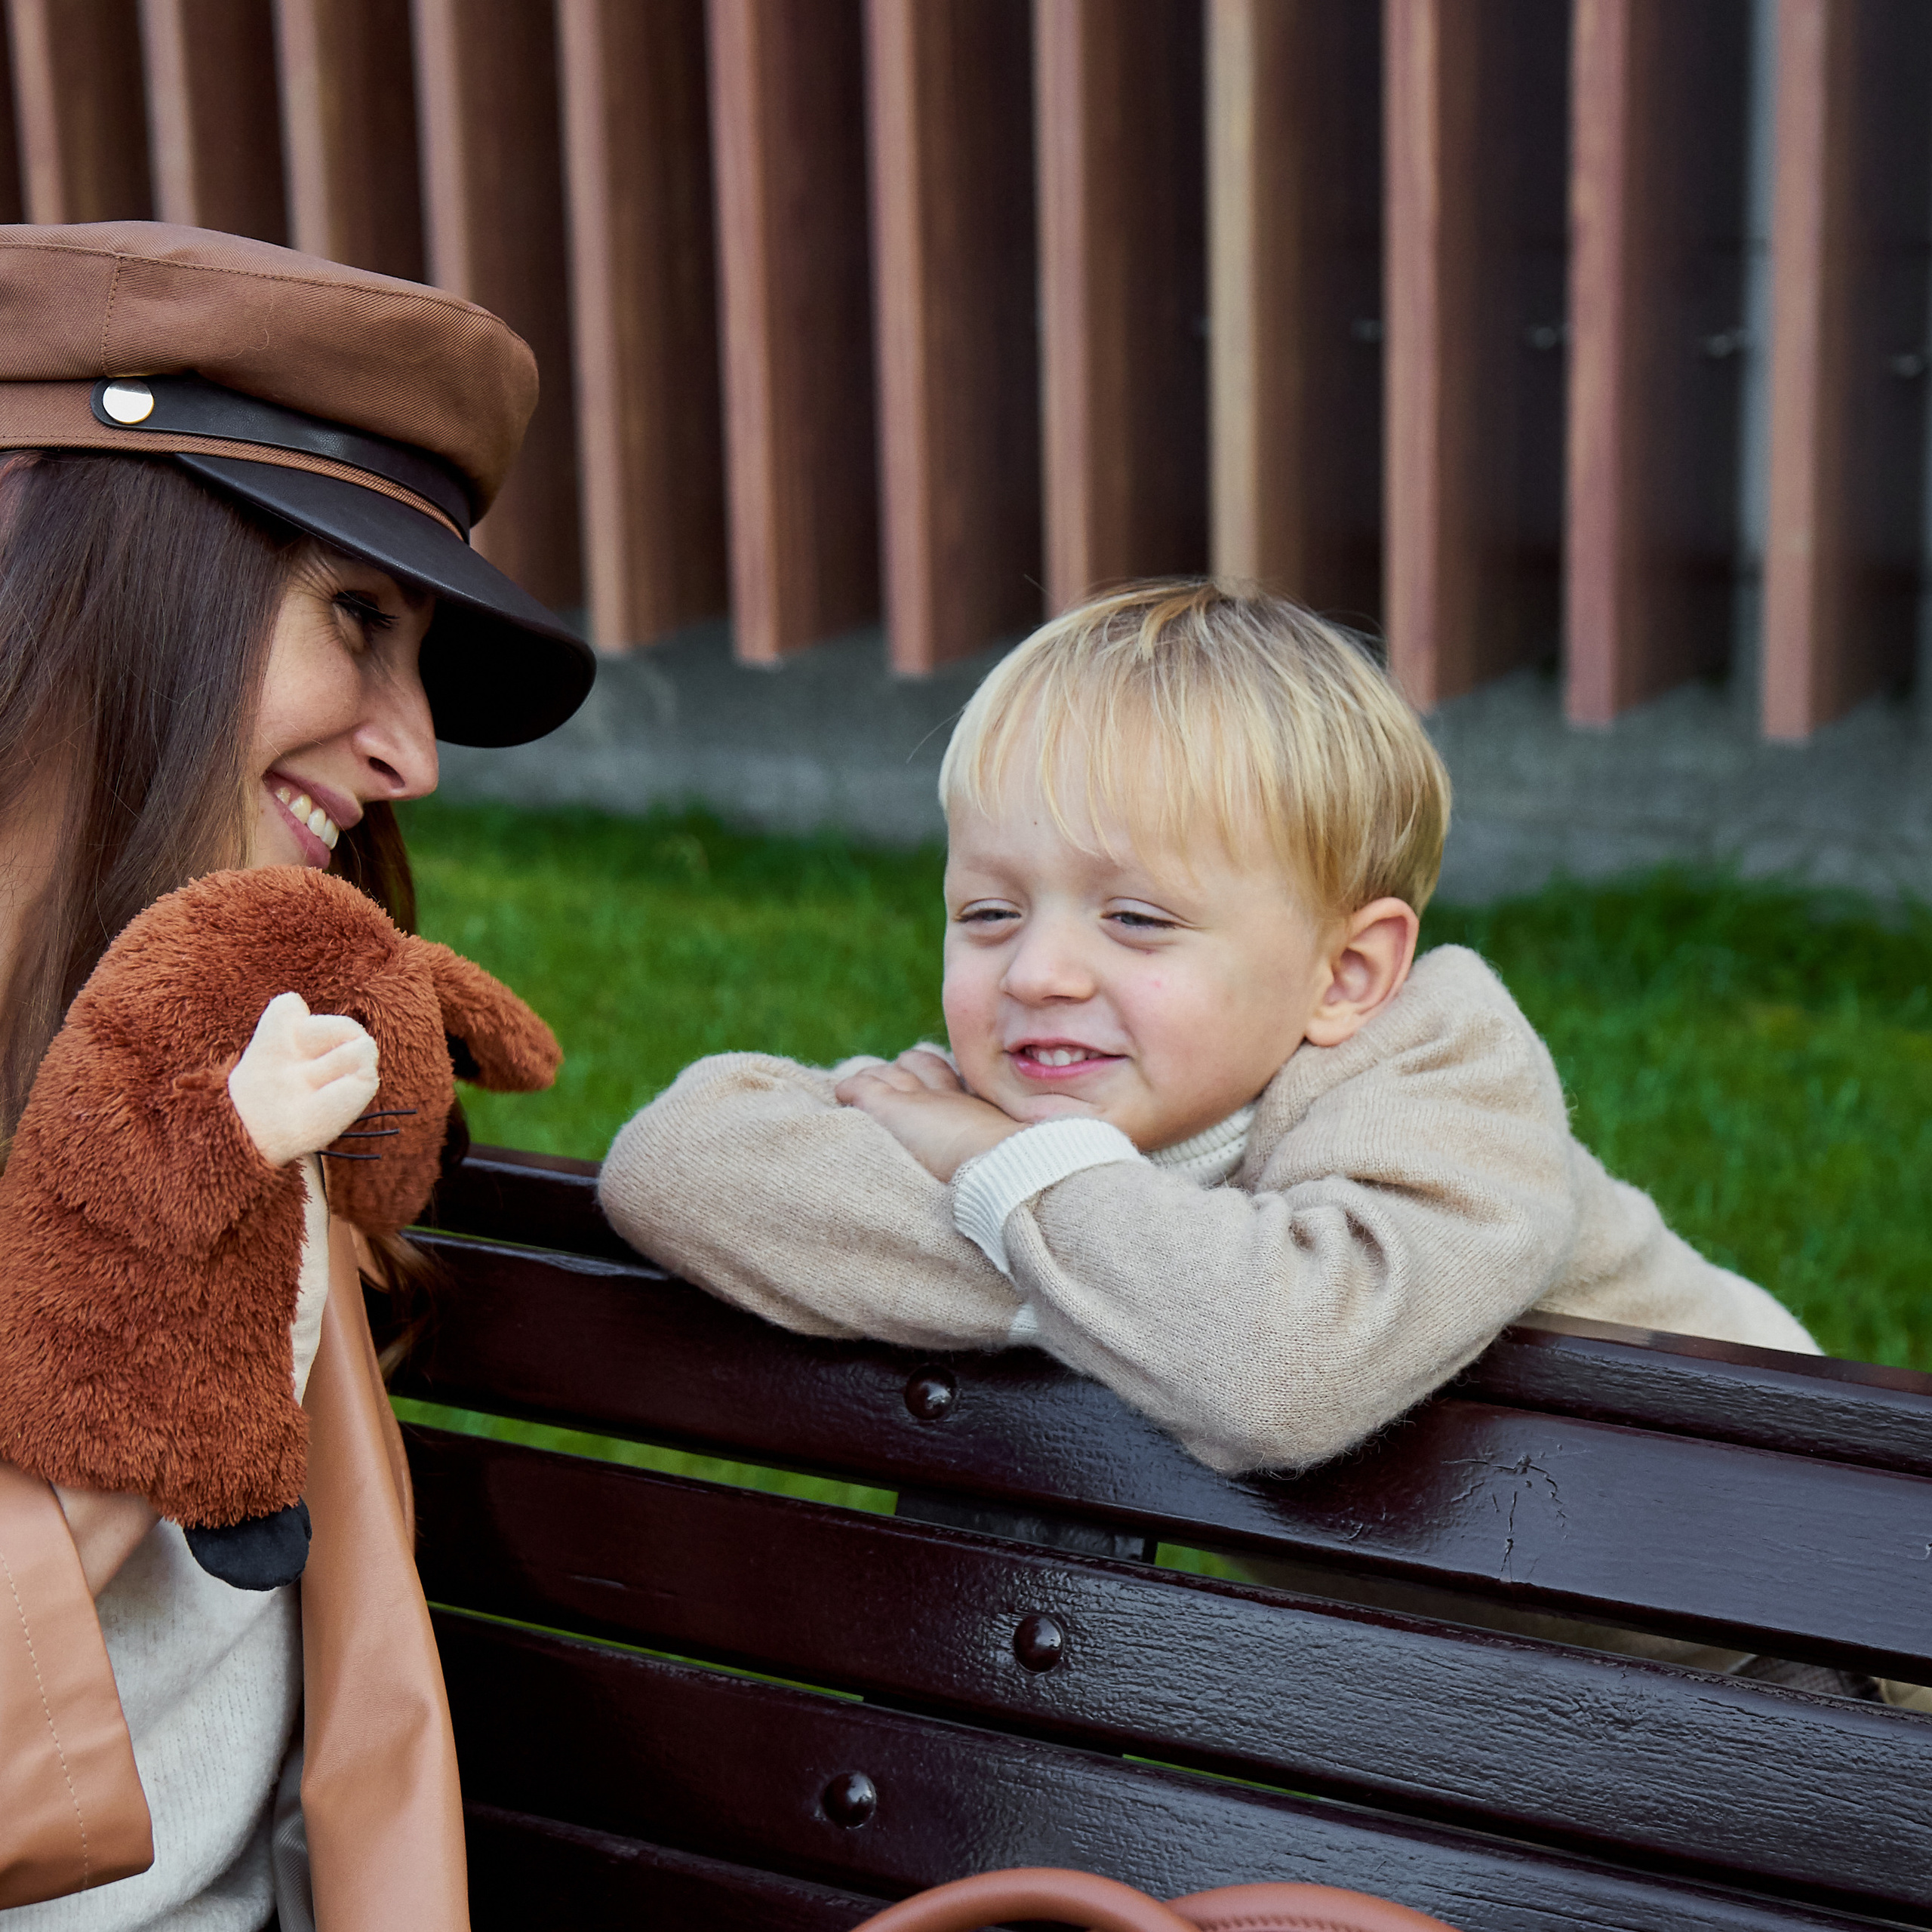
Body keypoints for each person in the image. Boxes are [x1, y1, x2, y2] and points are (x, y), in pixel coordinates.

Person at [602, 581, 1932, 1710]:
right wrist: (1086, 1255)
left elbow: (1273, 1371)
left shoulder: (1444, 1077)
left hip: (1796, 1665)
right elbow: (680, 1165)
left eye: (1136, 918)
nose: (1042, 971)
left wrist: (1021, 1209)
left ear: (1346, 974)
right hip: (1462, 1704)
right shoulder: (1026, 1123)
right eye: (991, 910)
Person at [0, 222, 592, 1925]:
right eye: (356, 618)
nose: (412, 748)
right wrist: (143, 1298)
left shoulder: (261, 1058)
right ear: (111, 580)